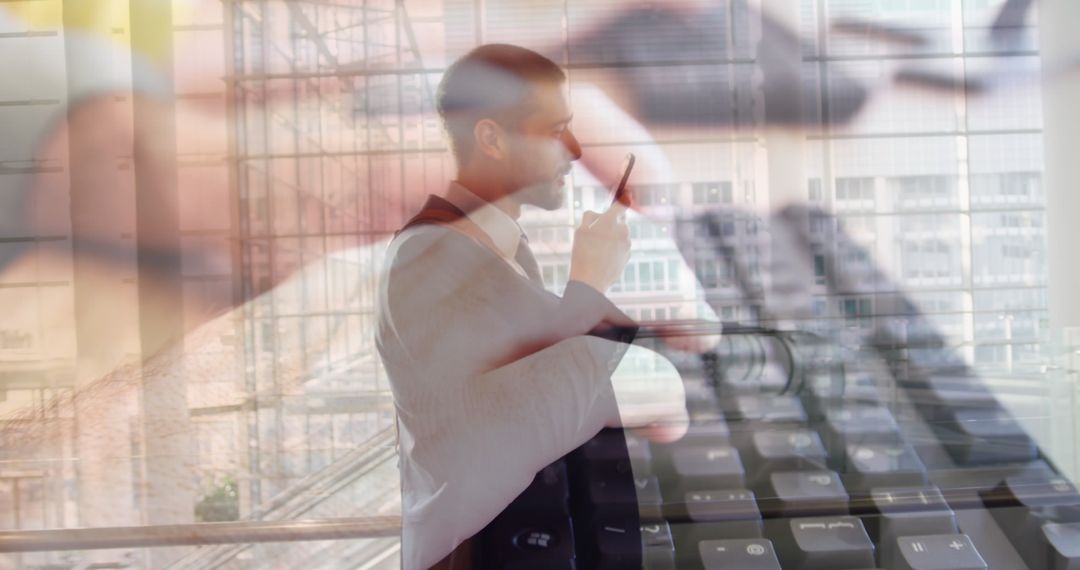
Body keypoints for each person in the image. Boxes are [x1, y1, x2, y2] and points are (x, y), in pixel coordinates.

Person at [374, 44, 688, 569]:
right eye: (553, 130)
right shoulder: (431, 256)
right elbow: (529, 401)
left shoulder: (497, 248)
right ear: (492, 139)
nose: (573, 148)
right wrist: (590, 280)